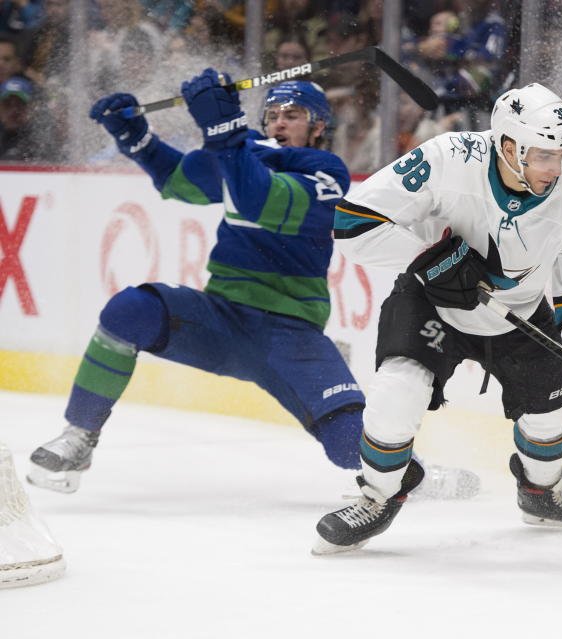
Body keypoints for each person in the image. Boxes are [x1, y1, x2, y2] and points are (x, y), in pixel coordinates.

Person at [27, 70, 478, 501]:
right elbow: (179, 180)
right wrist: (136, 138)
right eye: (272, 115)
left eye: (293, 115)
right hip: (220, 320)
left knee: (346, 446)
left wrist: (226, 133)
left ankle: (414, 472)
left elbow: (258, 199)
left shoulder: (326, 173)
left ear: (318, 126)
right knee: (131, 310)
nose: (279, 122)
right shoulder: (240, 155)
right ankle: (78, 437)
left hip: (289, 335)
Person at [313, 82, 562, 554]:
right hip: (430, 299)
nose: (557, 168)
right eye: (544, 155)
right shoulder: (449, 156)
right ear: (508, 147)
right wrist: (429, 258)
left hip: (520, 314)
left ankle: (543, 492)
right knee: (396, 392)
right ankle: (379, 493)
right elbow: (352, 222)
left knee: (551, 413)